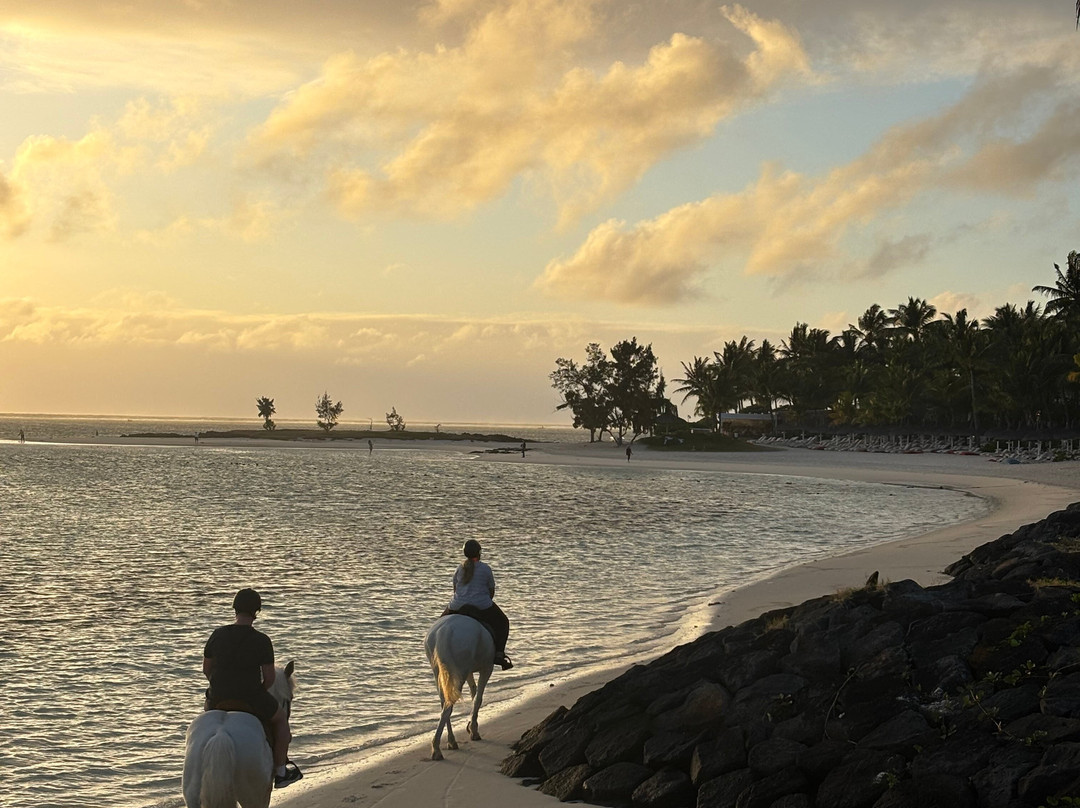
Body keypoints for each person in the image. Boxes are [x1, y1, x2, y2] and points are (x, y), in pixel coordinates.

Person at [203, 588, 303, 789]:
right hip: (251, 697)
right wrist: (258, 691)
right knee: (281, 721)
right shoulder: (261, 640)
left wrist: (219, 686)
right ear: (256, 612)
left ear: (235, 609)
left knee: (203, 725)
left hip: (217, 697)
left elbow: (207, 670)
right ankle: (282, 772)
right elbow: (269, 678)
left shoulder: (217, 634)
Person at [445, 540, 513, 670]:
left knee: (439, 624)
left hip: (457, 605)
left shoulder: (459, 568)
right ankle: (499, 654)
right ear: (479, 553)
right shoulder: (485, 569)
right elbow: (491, 591)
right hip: (481, 605)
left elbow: (455, 589)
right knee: (503, 622)